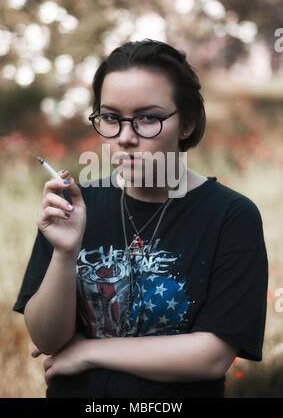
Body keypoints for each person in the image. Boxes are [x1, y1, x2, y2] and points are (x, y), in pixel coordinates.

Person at [13, 39, 268, 398]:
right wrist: (65, 253)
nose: (126, 137)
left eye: (148, 118)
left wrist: (90, 351)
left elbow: (211, 355)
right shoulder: (75, 205)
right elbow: (46, 337)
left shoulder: (230, 216)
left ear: (188, 123)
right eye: (111, 118)